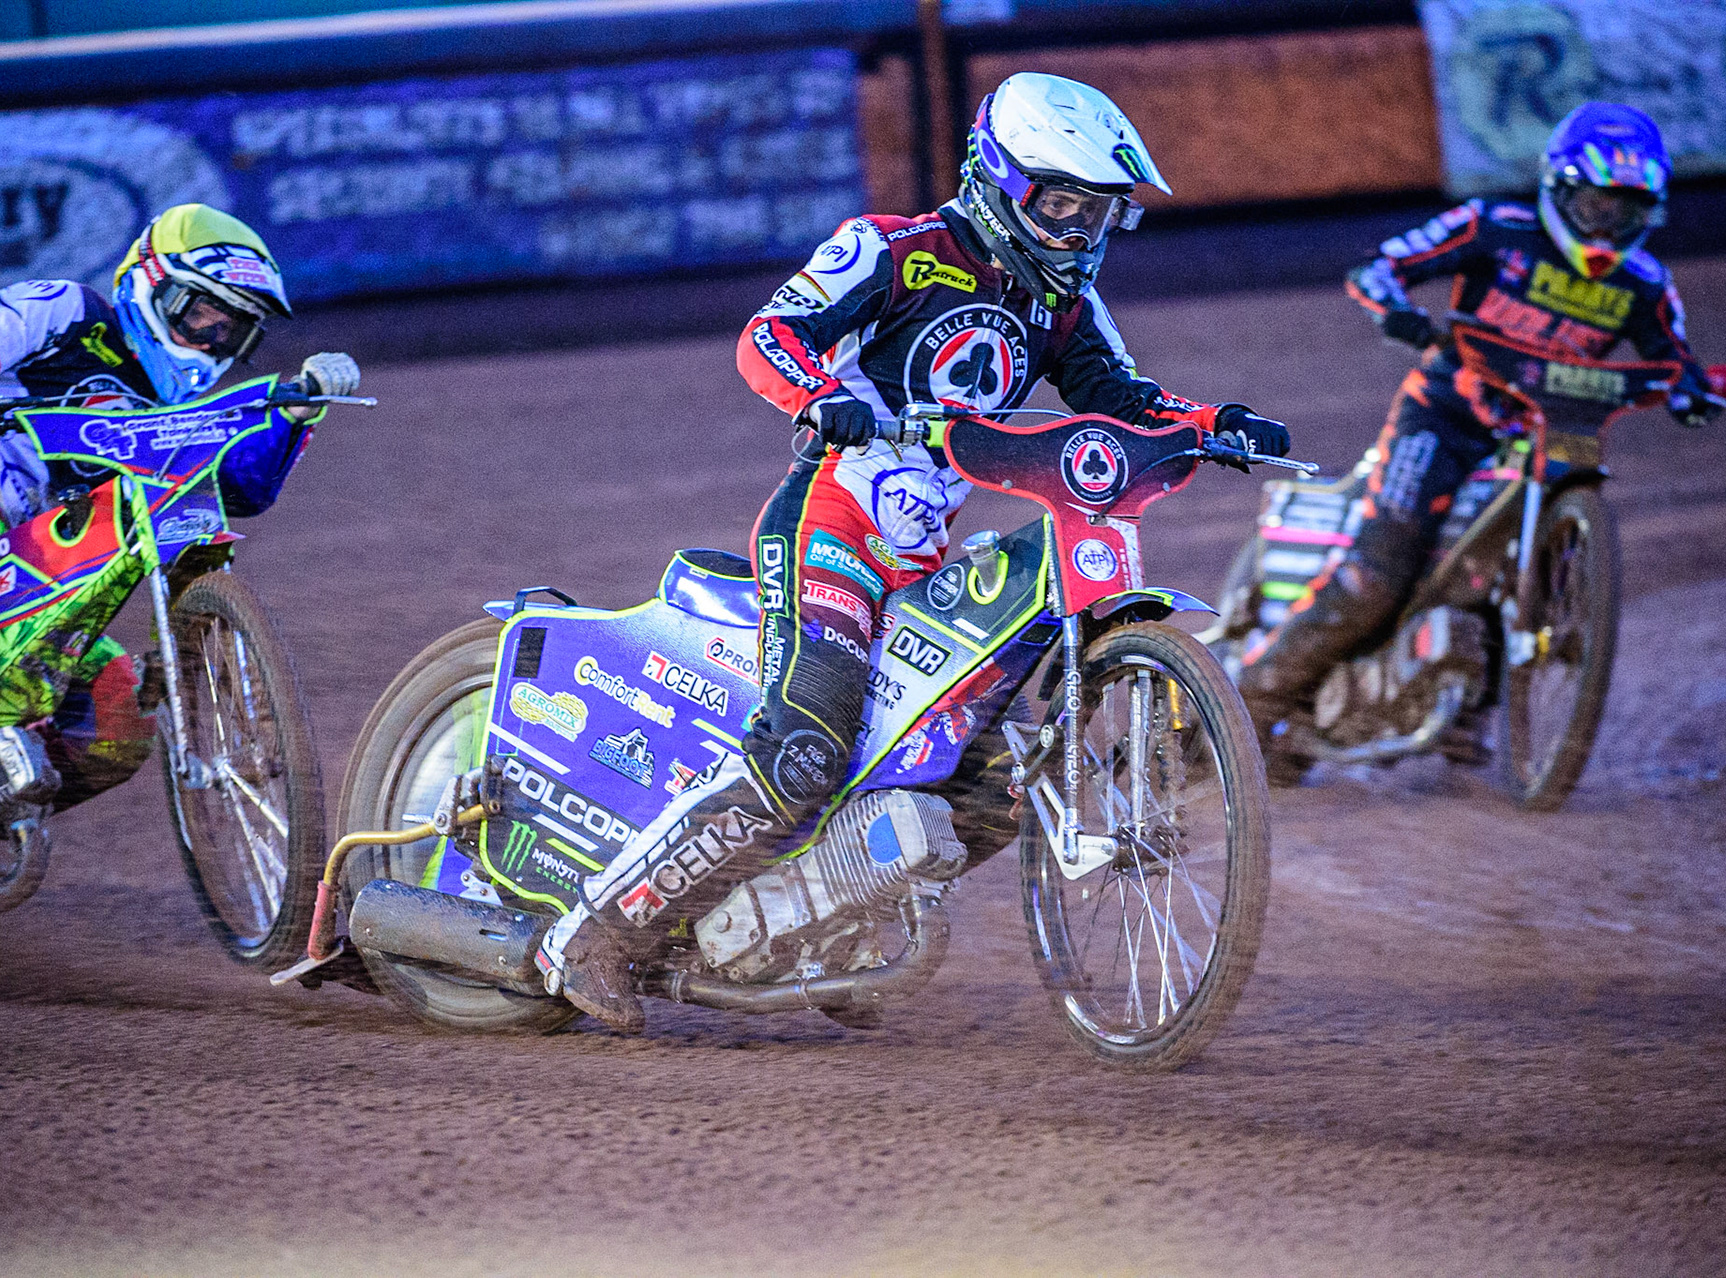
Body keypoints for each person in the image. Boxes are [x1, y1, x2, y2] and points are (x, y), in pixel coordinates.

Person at [536, 72, 1292, 1032]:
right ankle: (596, 934)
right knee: (806, 751)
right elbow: (768, 334)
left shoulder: (1066, 302)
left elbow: (1123, 396)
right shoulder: (893, 250)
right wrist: (819, 394)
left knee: (987, 779)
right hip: (831, 526)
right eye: (1063, 204)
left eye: (1099, 212)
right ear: (1001, 181)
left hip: (924, 554)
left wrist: (1219, 422)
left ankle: (831, 917)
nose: (1081, 230)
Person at [1236, 102, 1721, 780]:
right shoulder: (1491, 226)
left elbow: (1677, 362)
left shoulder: (1646, 285)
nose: (1608, 225)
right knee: (1384, 565)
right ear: (1557, 190)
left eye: (1627, 212)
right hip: (1442, 418)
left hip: (1539, 438)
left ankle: (1469, 704)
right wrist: (1397, 310)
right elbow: (1381, 267)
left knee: (1512, 568)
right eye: (1595, 205)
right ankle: (1256, 701)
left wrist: (1692, 392)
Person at [0, 203, 359, 813]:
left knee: (116, 725)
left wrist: (297, 412)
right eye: (201, 311)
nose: (211, 337)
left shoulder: (181, 411)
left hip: (31, 556)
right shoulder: (67, 308)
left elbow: (241, 487)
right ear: (152, 284)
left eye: (232, 328)